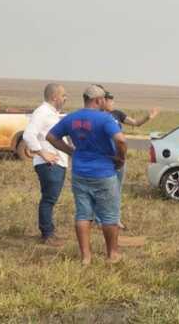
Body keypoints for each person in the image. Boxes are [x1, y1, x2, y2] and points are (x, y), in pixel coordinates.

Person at [47, 85, 128, 265]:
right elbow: (121, 140)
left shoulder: (71, 118)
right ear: (98, 100)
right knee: (109, 216)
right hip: (104, 173)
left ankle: (86, 257)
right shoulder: (105, 119)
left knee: (83, 214)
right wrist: (121, 159)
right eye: (103, 100)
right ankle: (112, 255)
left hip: (79, 172)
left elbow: (51, 137)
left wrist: (71, 151)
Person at [94, 87, 159, 230]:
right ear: (102, 101)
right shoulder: (96, 116)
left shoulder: (117, 114)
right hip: (103, 158)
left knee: (117, 188)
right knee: (102, 189)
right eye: (109, 100)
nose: (112, 102)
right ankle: (98, 220)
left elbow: (135, 123)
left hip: (119, 158)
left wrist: (149, 116)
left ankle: (115, 219)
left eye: (112, 100)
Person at [22, 83, 68, 246]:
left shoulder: (52, 114)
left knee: (50, 198)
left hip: (57, 163)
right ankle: (47, 234)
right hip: (48, 164)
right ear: (55, 97)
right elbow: (28, 135)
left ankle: (49, 232)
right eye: (63, 95)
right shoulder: (42, 112)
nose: (65, 98)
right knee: (48, 199)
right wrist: (42, 152)